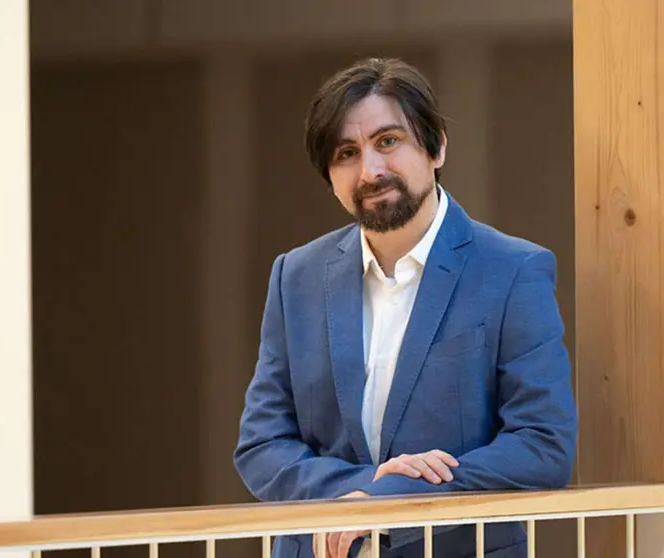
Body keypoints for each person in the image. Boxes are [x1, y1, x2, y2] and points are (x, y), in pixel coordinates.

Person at [233, 57, 577, 558]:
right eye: (347, 152)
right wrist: (363, 487)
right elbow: (262, 446)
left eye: (388, 141)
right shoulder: (296, 276)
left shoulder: (513, 269)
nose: (370, 170)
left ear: (436, 145)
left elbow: (543, 444)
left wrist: (391, 498)